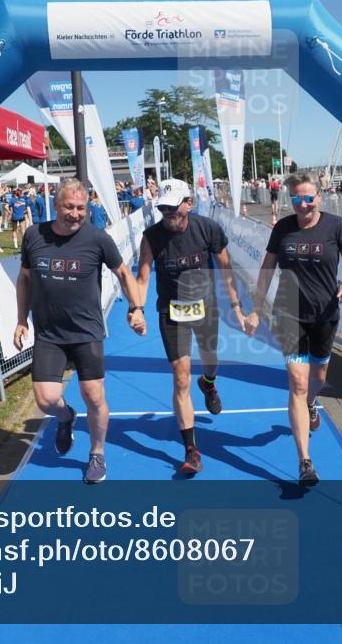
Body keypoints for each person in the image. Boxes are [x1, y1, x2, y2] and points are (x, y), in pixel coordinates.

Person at [13, 178, 146, 483]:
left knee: (94, 395)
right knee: (46, 400)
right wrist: (22, 319)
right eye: (68, 207)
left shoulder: (97, 239)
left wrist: (135, 308)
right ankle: (66, 416)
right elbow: (25, 279)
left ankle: (97, 453)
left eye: (81, 208)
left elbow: (124, 273)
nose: (75, 213)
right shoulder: (34, 236)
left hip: (86, 332)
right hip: (49, 333)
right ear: (55, 205)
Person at [244, 173, 342, 486]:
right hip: (289, 313)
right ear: (290, 200)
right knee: (296, 384)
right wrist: (256, 310)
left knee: (317, 379)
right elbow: (267, 268)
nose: (304, 204)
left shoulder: (335, 225)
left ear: (319, 198)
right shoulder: (283, 228)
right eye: (297, 199)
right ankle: (305, 462)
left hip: (325, 315)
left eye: (309, 198)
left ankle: (311, 403)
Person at [136, 179, 246, 474]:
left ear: (189, 203)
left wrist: (235, 305)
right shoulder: (151, 237)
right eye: (163, 209)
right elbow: (143, 277)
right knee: (181, 378)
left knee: (210, 362)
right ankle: (191, 449)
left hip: (205, 307)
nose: (169, 214)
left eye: (174, 208)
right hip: (171, 311)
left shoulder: (207, 228)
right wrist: (136, 309)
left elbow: (225, 268)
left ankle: (208, 383)